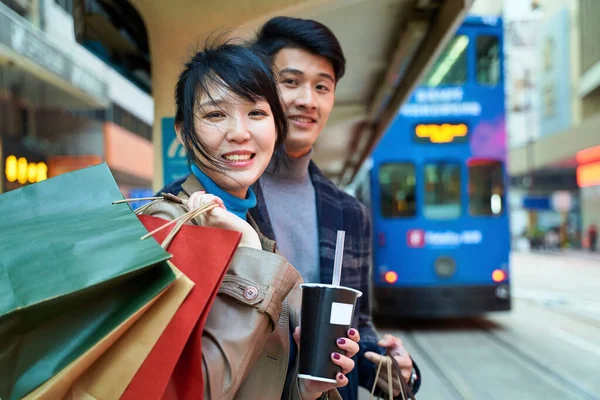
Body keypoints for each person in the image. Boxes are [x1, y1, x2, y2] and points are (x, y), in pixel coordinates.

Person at [160, 18, 421, 399]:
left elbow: (351, 326)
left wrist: (388, 372)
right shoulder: (183, 214)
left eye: (322, 86)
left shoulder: (347, 212)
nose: (307, 100)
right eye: (291, 81)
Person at [142, 41, 359, 400]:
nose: (240, 133)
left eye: (256, 113)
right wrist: (247, 250)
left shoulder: (256, 234)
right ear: (183, 133)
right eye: (215, 115)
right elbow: (186, 392)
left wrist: (304, 387)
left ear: (276, 127)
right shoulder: (164, 228)